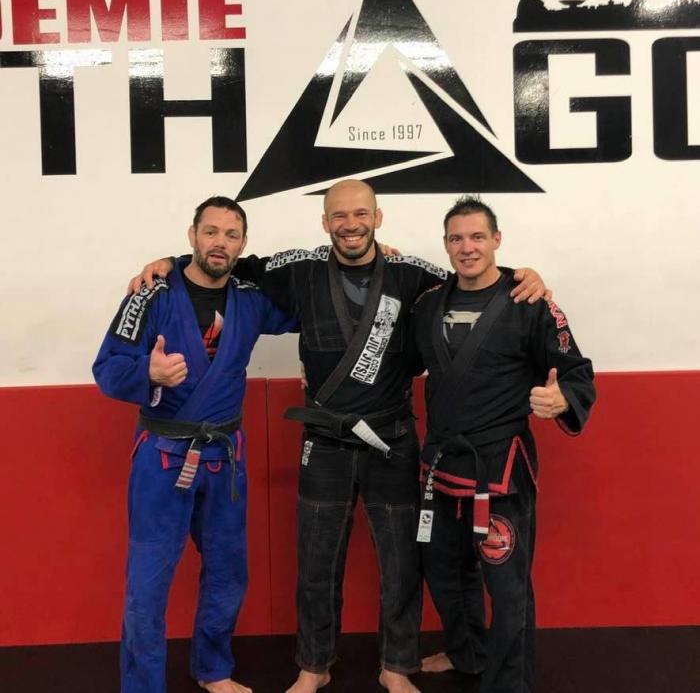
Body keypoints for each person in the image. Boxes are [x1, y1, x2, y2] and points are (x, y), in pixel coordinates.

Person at [130, 180, 547, 693]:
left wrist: (522, 276)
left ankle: (397, 665)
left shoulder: (411, 274)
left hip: (392, 439)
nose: (351, 224)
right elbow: (227, 262)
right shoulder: (300, 269)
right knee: (316, 561)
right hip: (324, 439)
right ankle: (314, 664)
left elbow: (473, 279)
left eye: (361, 214)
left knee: (402, 561)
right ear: (325, 222)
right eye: (340, 216)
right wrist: (170, 263)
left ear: (378, 217)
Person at [93, 196, 297, 693]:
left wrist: (371, 264)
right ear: (192, 236)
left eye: (231, 235)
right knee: (148, 582)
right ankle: (142, 686)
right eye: (210, 232)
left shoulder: (251, 299)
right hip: (162, 457)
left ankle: (213, 669)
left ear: (243, 245)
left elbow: (316, 301)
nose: (220, 243)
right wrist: (147, 372)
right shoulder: (152, 294)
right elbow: (108, 368)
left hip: (224, 457)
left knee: (228, 571)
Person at [411, 196, 595, 693]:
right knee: (445, 572)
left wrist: (564, 397)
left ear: (497, 240)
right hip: (441, 462)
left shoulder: (529, 302)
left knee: (507, 587)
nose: (467, 247)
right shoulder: (428, 304)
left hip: (499, 468)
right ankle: (468, 652)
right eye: (456, 238)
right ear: (445, 245)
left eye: (477, 237)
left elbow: (575, 370)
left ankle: (509, 683)